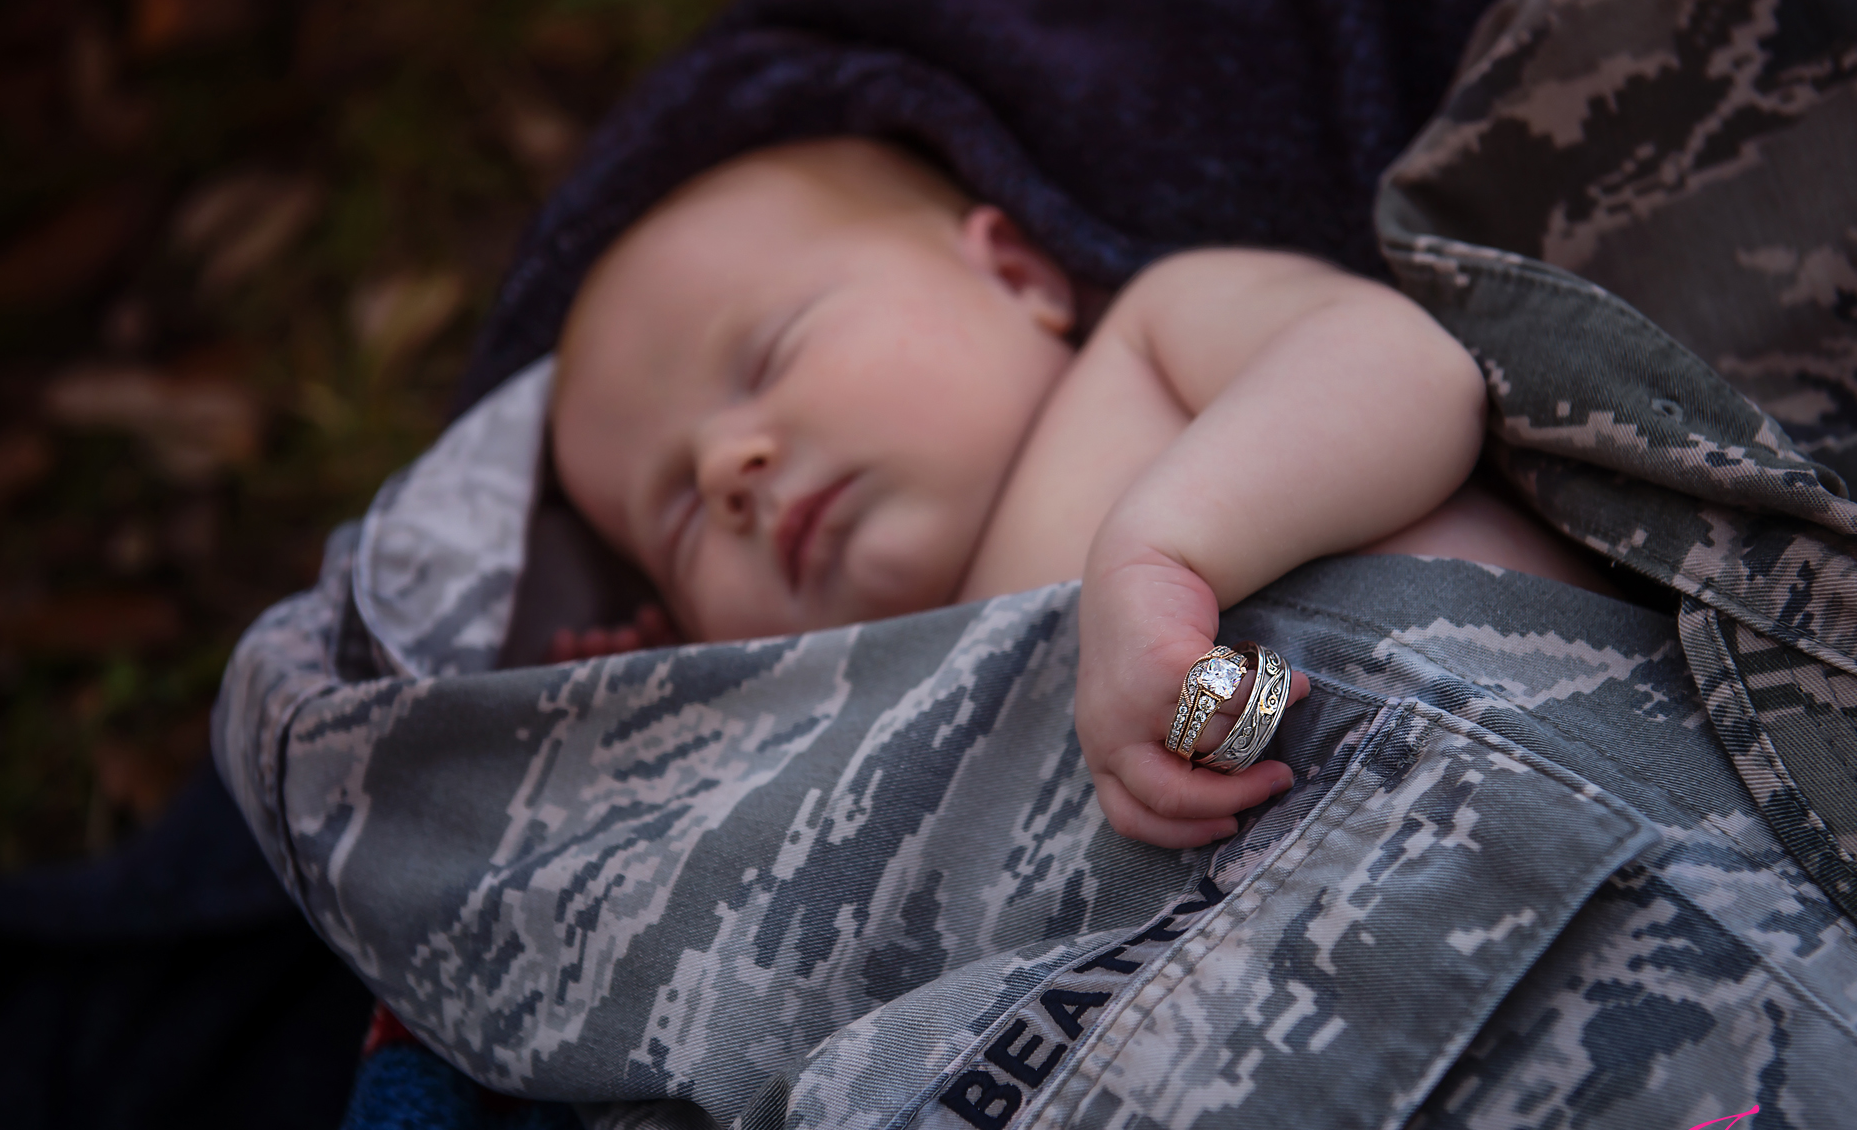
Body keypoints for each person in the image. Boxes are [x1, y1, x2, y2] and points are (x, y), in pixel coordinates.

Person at [549, 137, 1617, 848]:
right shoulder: (860, 708)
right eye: (678, 520)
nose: (724, 472)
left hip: (1586, 775)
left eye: (770, 356)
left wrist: (1165, 552)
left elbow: (1403, 372)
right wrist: (662, 736)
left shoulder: (1150, 348)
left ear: (1015, 275)